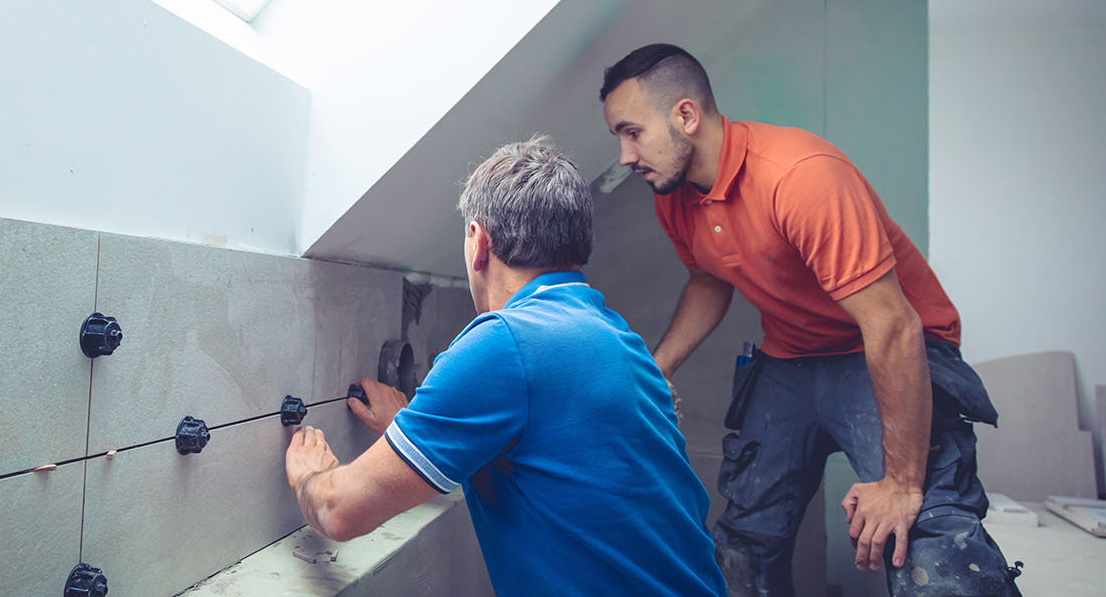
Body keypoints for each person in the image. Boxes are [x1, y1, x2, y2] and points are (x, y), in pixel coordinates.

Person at [599, 43, 1020, 597]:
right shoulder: (673, 192)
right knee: (745, 538)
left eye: (633, 132)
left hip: (884, 347)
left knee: (922, 528)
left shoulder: (800, 176)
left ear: (685, 115)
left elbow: (894, 327)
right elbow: (709, 278)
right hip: (792, 358)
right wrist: (657, 369)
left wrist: (898, 482)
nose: (626, 156)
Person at [283, 136, 727, 596]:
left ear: (478, 242)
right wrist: (410, 429)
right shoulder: (616, 338)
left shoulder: (504, 343)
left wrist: (307, 477)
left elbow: (339, 511)